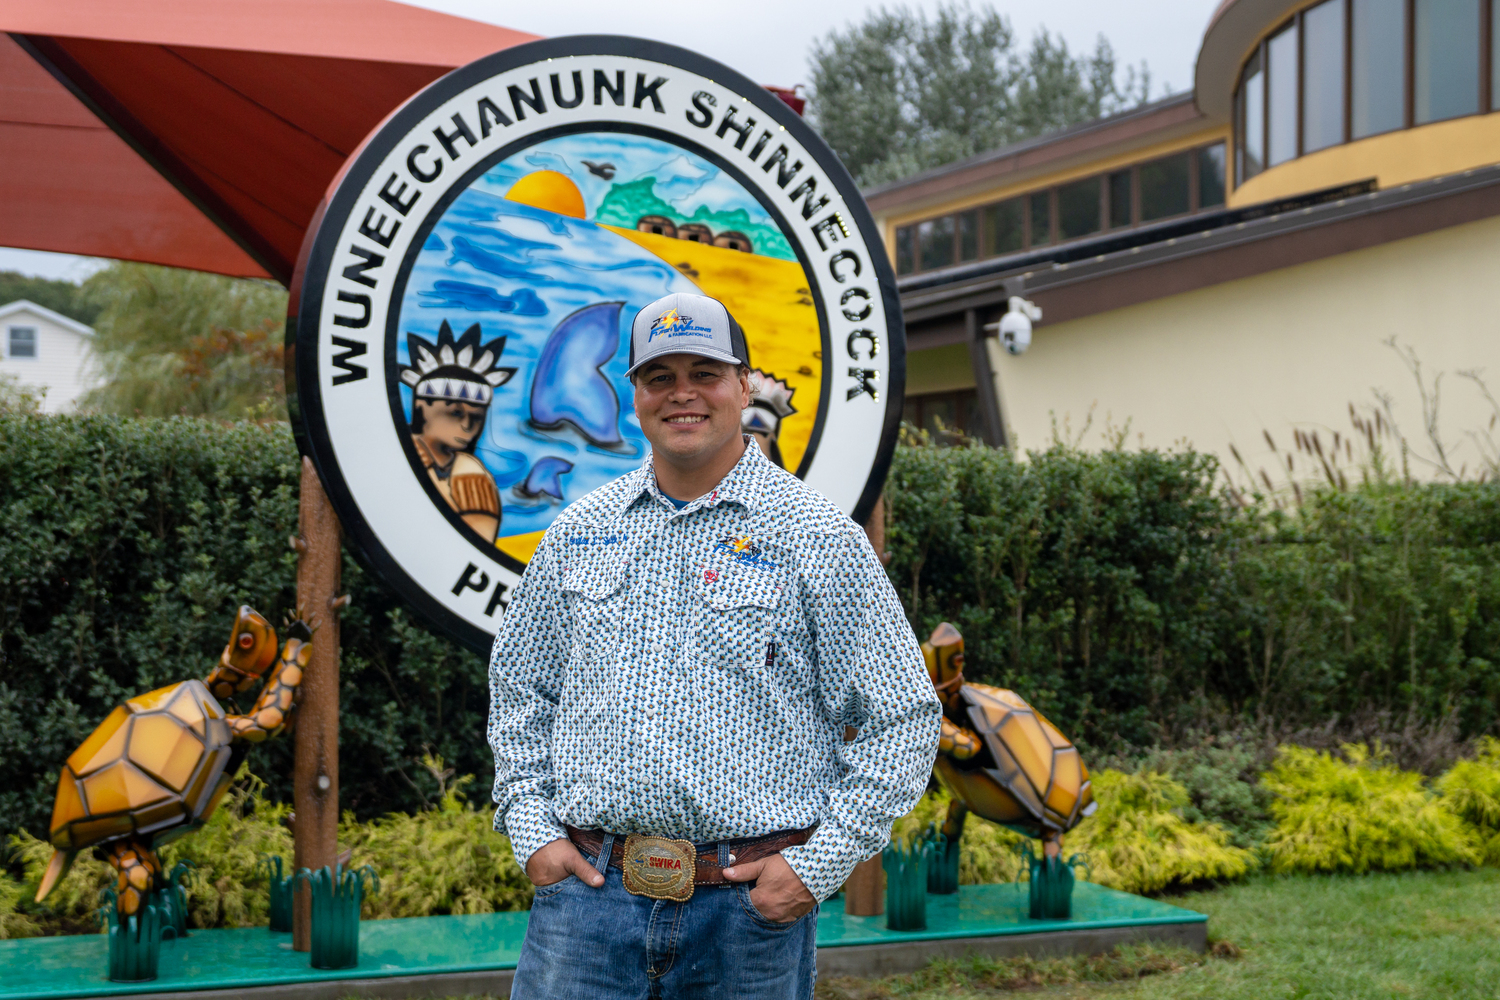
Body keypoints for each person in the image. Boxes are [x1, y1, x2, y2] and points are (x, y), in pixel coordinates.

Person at [488, 291, 940, 1000]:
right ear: (633, 391)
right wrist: (532, 831)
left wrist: (817, 867)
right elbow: (521, 689)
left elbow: (903, 716)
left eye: (705, 371)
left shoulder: (815, 536)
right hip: (586, 906)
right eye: (659, 376)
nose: (683, 394)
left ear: (744, 384)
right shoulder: (579, 532)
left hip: (746, 915)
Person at [400, 320, 515, 542]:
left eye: (477, 417)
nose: (467, 425)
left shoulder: (471, 474)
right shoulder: (395, 456)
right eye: (455, 413)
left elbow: (479, 544)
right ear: (421, 407)